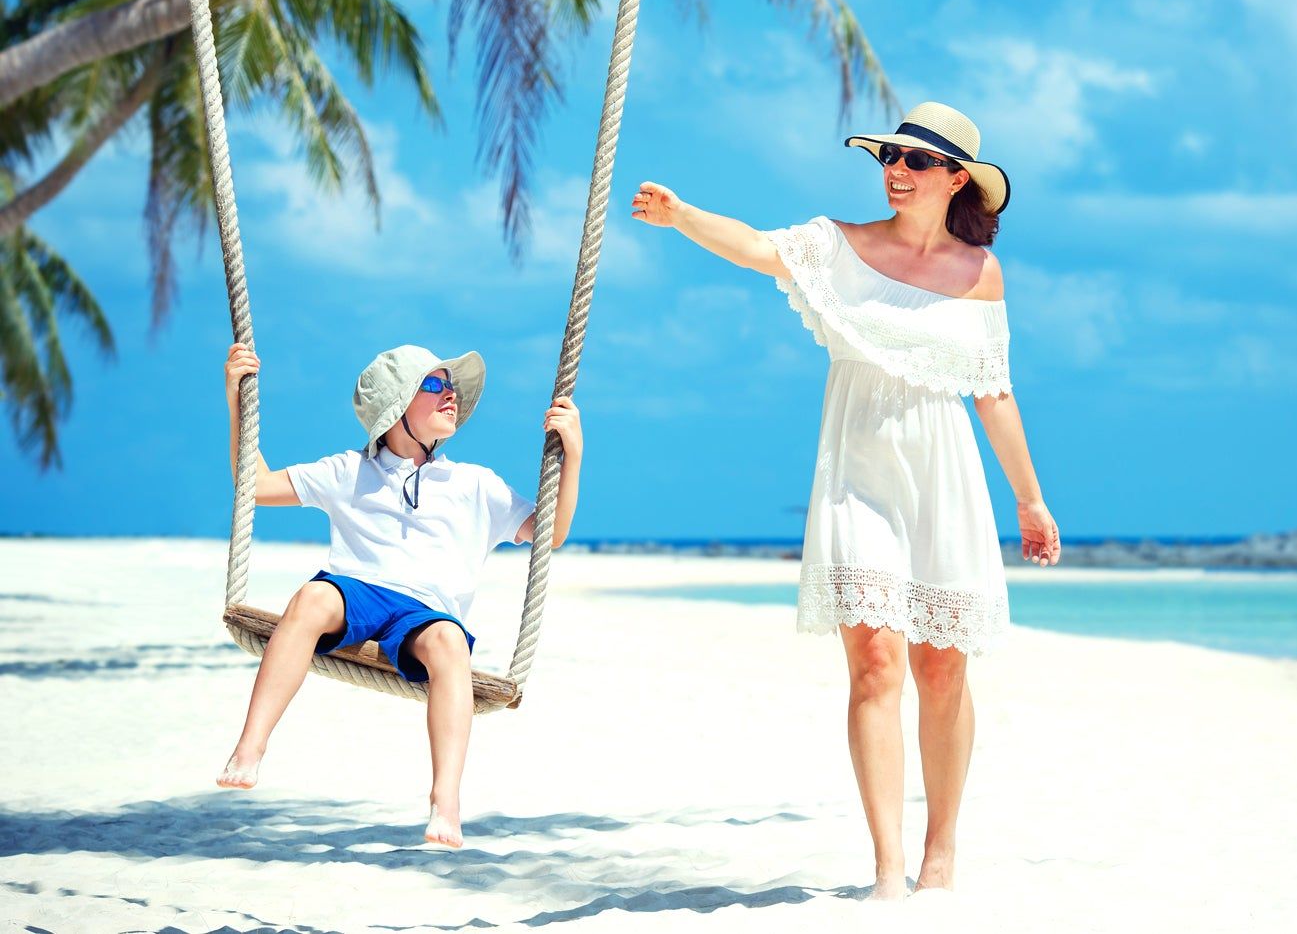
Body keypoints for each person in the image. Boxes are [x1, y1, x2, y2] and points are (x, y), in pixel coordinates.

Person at [631, 101, 1062, 898]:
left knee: (942, 672)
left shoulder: (980, 274)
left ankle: (941, 850)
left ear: (955, 178)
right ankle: (885, 870)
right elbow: (760, 249)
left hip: (945, 481)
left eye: (914, 161)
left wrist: (1031, 504)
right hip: (857, 476)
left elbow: (994, 394)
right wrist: (683, 215)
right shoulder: (840, 244)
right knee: (873, 666)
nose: (895, 172)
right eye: (887, 159)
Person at [213, 342, 583, 849]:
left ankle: (445, 800)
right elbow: (254, 486)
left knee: (450, 645)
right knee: (310, 600)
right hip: (356, 591)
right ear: (395, 409)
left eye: (450, 384)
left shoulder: (476, 484)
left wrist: (573, 453)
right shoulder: (350, 471)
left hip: (427, 613)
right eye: (434, 385)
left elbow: (550, 533)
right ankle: (250, 747)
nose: (450, 393)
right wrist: (237, 398)